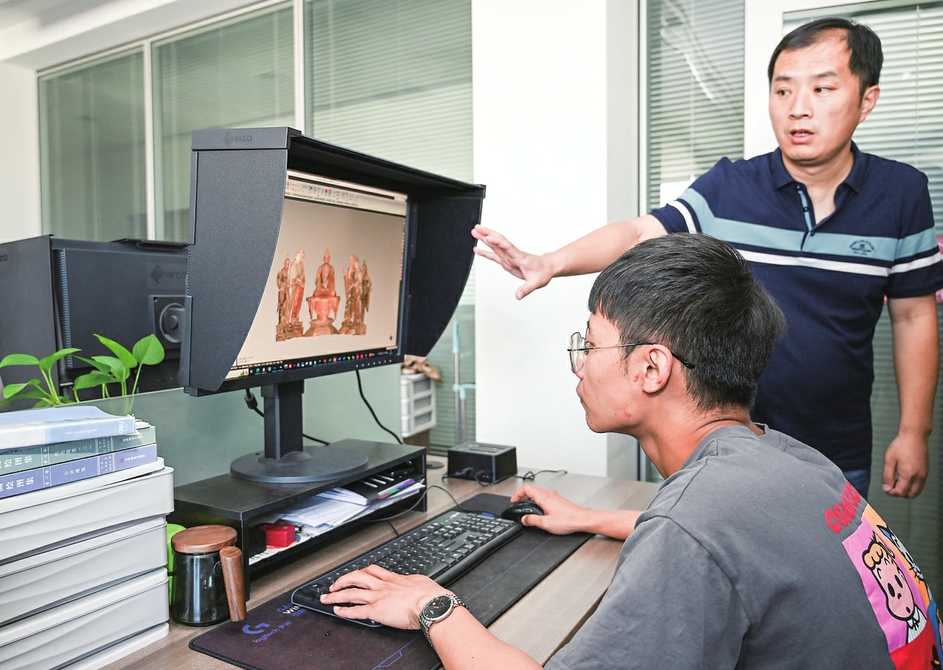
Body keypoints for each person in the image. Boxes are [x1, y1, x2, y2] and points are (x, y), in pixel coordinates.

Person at [320, 235, 942, 669]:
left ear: (651, 368)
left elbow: (699, 536)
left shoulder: (694, 525)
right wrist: (590, 518)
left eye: (590, 344)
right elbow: (737, 542)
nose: (579, 365)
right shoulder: (793, 460)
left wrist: (431, 605)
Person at [472, 17, 943, 500]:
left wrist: (914, 432)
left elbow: (913, 318)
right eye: (783, 91)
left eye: (822, 89)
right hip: (722, 445)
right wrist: (550, 263)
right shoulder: (731, 186)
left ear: (867, 100)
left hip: (835, 448)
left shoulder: (900, 193)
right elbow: (640, 231)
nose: (798, 108)